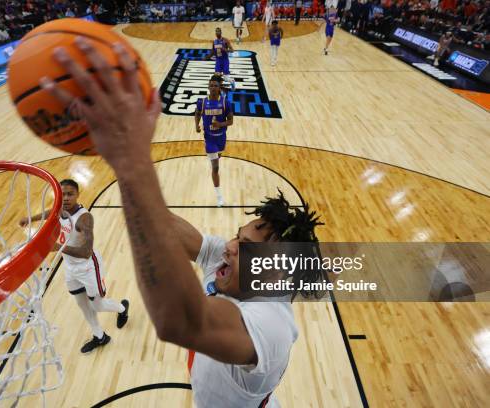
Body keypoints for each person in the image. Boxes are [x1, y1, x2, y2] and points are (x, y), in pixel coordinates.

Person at [38, 38, 325, 407]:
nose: (230, 245)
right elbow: (172, 230)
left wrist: (131, 163)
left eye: (247, 247)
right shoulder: (233, 267)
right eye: (239, 236)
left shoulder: (271, 324)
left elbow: (178, 319)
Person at [19, 179, 130, 353]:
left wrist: (58, 248)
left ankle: (123, 308)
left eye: (70, 194)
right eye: (62, 194)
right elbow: (52, 212)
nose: (65, 198)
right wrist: (30, 219)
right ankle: (100, 336)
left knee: (97, 305)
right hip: (70, 267)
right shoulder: (60, 209)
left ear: (78, 195)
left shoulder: (84, 219)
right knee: (82, 304)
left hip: (88, 267)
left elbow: (86, 252)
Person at [195, 75, 233, 207]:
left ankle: (213, 159)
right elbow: (197, 113)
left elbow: (231, 121)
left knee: (218, 157)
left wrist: (220, 124)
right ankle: (219, 197)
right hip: (209, 139)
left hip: (221, 137)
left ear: (219, 88)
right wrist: (196, 125)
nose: (213, 88)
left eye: (215, 85)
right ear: (208, 87)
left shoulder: (225, 103)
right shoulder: (202, 102)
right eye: (211, 85)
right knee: (216, 168)